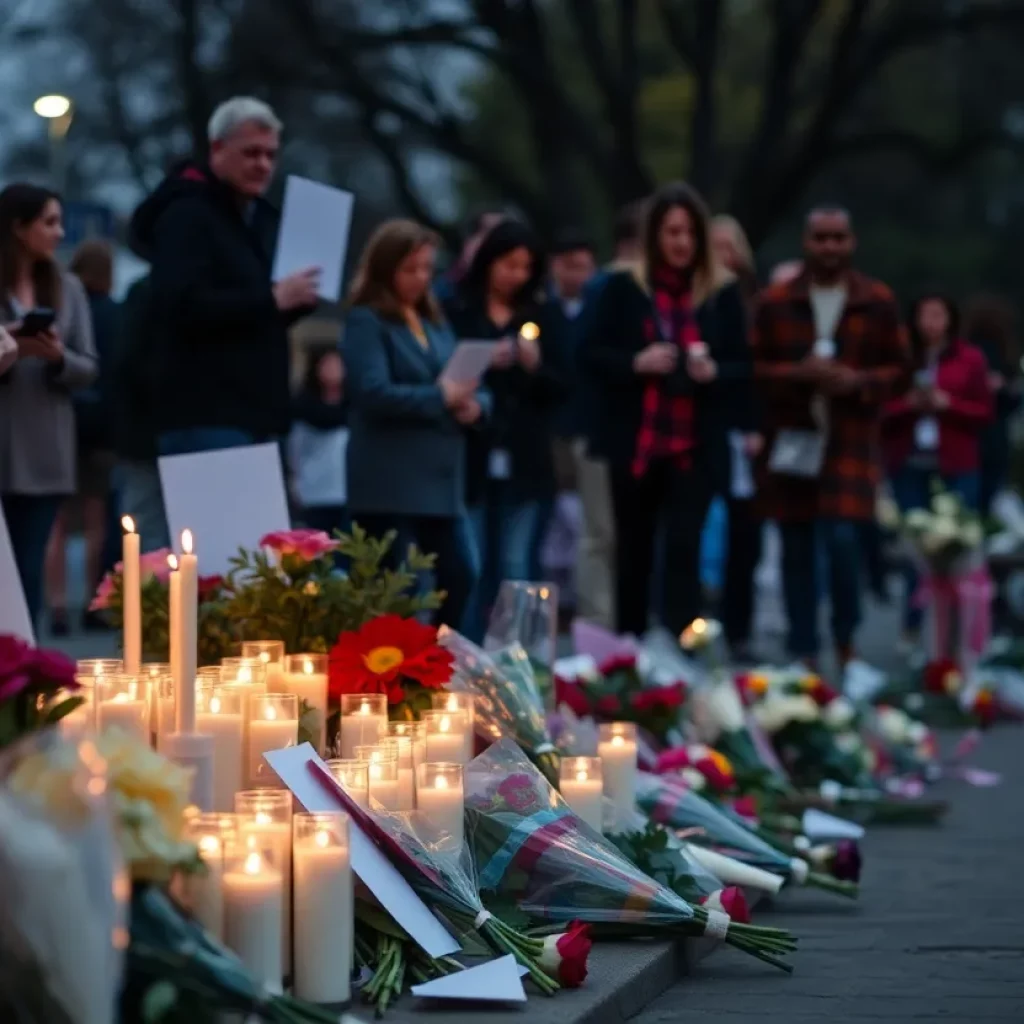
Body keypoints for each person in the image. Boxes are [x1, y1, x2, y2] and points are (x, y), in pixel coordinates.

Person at [581, 181, 753, 637]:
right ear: (654, 235)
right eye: (672, 232)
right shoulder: (624, 287)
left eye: (690, 232)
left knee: (684, 546)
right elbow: (590, 353)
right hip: (637, 439)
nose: (682, 243)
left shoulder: (720, 292)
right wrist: (635, 362)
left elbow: (744, 366)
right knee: (632, 550)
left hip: (694, 442)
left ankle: (682, 644)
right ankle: (630, 649)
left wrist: (713, 370)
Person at [753, 206, 909, 669]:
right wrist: (797, 374)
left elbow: (901, 371)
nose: (829, 247)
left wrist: (858, 381)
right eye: (821, 238)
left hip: (850, 442)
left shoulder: (876, 299)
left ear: (851, 242)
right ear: (806, 242)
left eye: (838, 238)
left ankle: (845, 641)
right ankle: (803, 648)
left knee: (843, 543)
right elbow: (751, 368)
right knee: (796, 548)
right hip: (793, 441)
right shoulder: (776, 301)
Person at [128, 96, 319, 458]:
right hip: (204, 414)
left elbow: (248, 316)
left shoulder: (255, 219)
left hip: (253, 413)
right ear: (217, 148)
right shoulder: (187, 215)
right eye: (251, 153)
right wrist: (272, 299)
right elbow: (181, 306)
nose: (263, 165)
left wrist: (296, 301)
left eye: (271, 155)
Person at [341, 219, 488, 628]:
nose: (421, 278)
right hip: (389, 478)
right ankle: (394, 663)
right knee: (391, 590)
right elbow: (372, 391)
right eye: (410, 269)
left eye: (426, 268)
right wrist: (441, 397)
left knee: (461, 574)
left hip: (439, 479)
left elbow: (466, 378)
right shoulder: (367, 320)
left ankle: (439, 654)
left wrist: (476, 407)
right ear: (385, 268)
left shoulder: (433, 321)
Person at [443, 219, 567, 640]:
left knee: (517, 563)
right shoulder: (460, 311)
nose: (516, 275)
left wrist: (534, 367)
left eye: (525, 267)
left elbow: (564, 386)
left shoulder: (543, 315)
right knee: (473, 563)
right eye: (508, 264)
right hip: (472, 455)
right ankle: (467, 653)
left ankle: (519, 656)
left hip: (525, 457)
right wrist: (480, 362)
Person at [0, 184, 97, 628]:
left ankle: (24, 657)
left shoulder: (68, 287)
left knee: (28, 568)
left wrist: (57, 357)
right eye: (50, 222)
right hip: (5, 436)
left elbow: (90, 366)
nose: (59, 232)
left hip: (45, 447)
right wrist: (8, 341)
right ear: (19, 228)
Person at [881, 293, 992, 643]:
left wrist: (948, 404)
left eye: (938, 315)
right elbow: (879, 410)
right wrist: (909, 405)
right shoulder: (900, 359)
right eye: (924, 315)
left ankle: (959, 630)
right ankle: (915, 627)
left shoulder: (969, 358)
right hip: (910, 462)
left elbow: (985, 412)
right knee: (916, 549)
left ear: (950, 319)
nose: (930, 323)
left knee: (957, 547)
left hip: (955, 463)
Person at [567, 202, 645, 629]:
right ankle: (598, 626)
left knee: (625, 533)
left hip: (633, 431)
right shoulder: (608, 287)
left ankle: (624, 624)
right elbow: (584, 355)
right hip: (601, 429)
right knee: (601, 532)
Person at [45, 240, 120, 634]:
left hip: (60, 420)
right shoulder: (114, 315)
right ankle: (94, 602)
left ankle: (57, 607)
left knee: (56, 521)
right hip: (102, 429)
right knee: (96, 521)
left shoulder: (60, 308)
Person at [709, 214, 764, 660]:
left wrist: (756, 426)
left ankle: (739, 628)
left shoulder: (756, 303)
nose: (723, 255)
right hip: (703, 428)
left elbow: (756, 371)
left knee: (745, 535)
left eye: (730, 246)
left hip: (744, 431)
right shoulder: (696, 299)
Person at [545, 230, 597, 590]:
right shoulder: (543, 312)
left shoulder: (600, 311)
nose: (577, 275)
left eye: (584, 267)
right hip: (555, 425)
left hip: (590, 426)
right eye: (570, 266)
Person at [963, 295, 1021, 514]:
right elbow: (1014, 402)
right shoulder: (1005, 356)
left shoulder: (966, 352)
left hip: (969, 437)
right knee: (992, 499)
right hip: (996, 438)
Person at [289, 345, 349, 537]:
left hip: (349, 492)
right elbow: (295, 451)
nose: (333, 370)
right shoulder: (303, 409)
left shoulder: (357, 408)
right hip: (315, 492)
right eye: (327, 364)